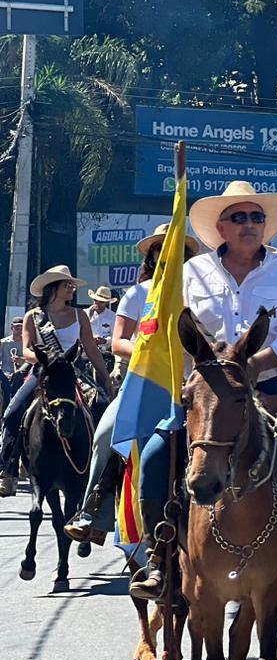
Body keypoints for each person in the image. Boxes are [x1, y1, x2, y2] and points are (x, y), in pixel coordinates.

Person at [128, 182, 277, 607]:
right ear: (220, 227)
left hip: (271, 382)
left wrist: (256, 364)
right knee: (154, 456)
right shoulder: (193, 273)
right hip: (207, 390)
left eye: (257, 217)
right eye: (240, 217)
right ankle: (159, 560)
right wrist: (191, 375)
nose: (250, 224)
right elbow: (174, 330)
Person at [64, 223, 200, 544]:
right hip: (144, 384)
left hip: (189, 388)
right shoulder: (137, 294)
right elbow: (117, 343)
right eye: (160, 248)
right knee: (105, 434)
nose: (167, 253)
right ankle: (93, 510)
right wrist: (146, 347)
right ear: (153, 255)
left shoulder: (198, 294)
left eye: (174, 248)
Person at [0, 266, 113, 496]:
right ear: (53, 288)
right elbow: (27, 350)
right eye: (66, 285)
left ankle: (103, 473)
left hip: (72, 372)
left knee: (102, 406)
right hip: (43, 372)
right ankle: (8, 469)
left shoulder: (79, 315)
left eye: (72, 285)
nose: (71, 289)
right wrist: (46, 359)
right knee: (13, 412)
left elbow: (90, 348)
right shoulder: (34, 316)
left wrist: (105, 378)